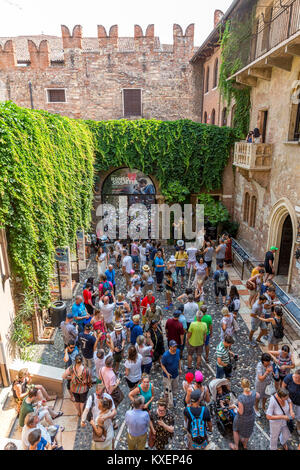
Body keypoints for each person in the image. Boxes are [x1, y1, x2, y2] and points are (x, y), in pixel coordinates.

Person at [230, 378, 259, 450]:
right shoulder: (254, 393)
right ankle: (245, 445)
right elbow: (258, 396)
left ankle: (236, 447)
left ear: (242, 386)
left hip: (242, 418)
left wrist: (235, 407)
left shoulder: (241, 398)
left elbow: (241, 412)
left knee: (235, 430)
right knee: (248, 431)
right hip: (251, 416)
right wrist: (254, 404)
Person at [161, 340, 182, 407]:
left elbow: (179, 360)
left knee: (175, 387)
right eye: (173, 347)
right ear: (169, 347)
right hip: (167, 377)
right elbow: (162, 365)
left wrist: (180, 369)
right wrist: (167, 373)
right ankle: (166, 400)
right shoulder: (165, 355)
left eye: (175, 346)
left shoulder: (178, 351)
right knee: (167, 388)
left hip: (175, 374)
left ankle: (174, 398)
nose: (174, 348)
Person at [254, 352, 275, 417]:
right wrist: (267, 372)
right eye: (267, 362)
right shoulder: (259, 366)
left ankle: (263, 407)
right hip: (260, 384)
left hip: (268, 383)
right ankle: (256, 408)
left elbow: (274, 372)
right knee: (258, 397)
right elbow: (260, 378)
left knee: (266, 396)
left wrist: (274, 372)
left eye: (269, 361)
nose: (268, 363)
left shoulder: (271, 363)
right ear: (263, 361)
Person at [282, 370, 300, 436]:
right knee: (288, 415)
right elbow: (283, 387)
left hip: (299, 404)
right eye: (295, 376)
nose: (295, 378)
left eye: (297, 378)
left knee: (299, 417)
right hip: (289, 401)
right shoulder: (289, 378)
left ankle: (298, 427)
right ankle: (287, 426)